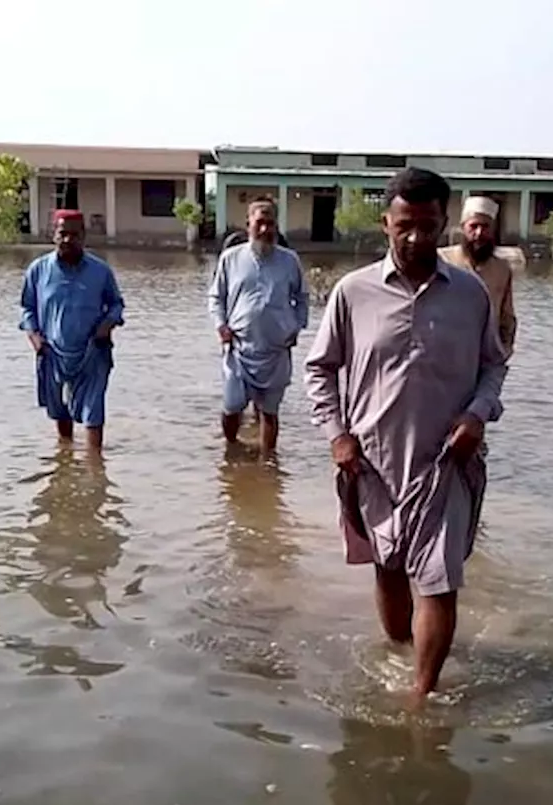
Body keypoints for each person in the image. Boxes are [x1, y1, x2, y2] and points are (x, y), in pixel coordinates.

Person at [304, 167, 509, 705]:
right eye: (405, 226)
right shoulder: (353, 293)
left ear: (446, 224)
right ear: (385, 224)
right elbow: (319, 368)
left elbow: (494, 364)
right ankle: (400, 652)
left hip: (447, 460)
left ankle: (422, 698)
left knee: (440, 579)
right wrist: (336, 434)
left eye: (428, 225)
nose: (417, 237)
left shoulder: (470, 294)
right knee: (389, 570)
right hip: (371, 462)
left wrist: (478, 414)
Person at [20, 210, 125, 453]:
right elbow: (27, 307)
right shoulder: (38, 271)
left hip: (93, 351)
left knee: (93, 410)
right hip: (52, 351)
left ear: (84, 236)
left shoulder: (100, 271)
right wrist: (34, 337)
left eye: (74, 234)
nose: (68, 239)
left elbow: (116, 304)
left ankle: (94, 468)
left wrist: (107, 325)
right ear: (53, 235)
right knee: (59, 410)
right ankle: (65, 459)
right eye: (62, 233)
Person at [209, 198, 309, 455]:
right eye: (259, 223)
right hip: (238, 349)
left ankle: (268, 464)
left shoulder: (290, 261)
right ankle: (231, 451)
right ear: (248, 225)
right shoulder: (230, 259)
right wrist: (221, 325)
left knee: (269, 412)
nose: (265, 229)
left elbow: (302, 298)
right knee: (232, 408)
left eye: (270, 224)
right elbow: (216, 297)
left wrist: (296, 327)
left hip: (276, 350)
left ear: (277, 226)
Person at [438, 195, 517, 357]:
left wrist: (504, 350)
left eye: (485, 227)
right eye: (474, 226)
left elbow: (507, 318)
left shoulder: (502, 269)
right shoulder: (441, 260)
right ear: (463, 227)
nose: (479, 233)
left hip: (485, 356)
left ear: (493, 229)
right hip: (444, 354)